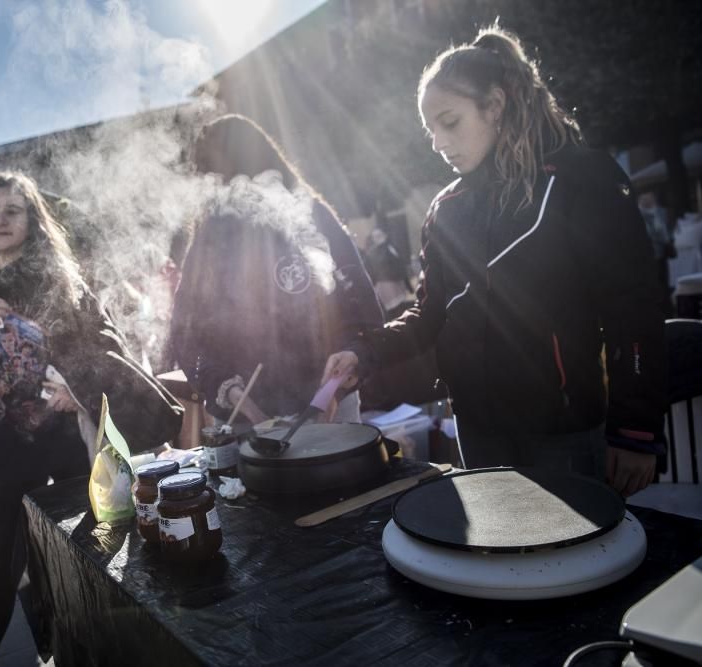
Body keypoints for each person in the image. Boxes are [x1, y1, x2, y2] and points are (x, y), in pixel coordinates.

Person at [322, 26, 666, 496]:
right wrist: (365, 353)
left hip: (562, 434)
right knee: (496, 565)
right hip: (478, 432)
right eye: (430, 130)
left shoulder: (581, 178)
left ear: (495, 106)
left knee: (569, 564)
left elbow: (635, 312)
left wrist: (636, 431)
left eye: (450, 122)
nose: (439, 142)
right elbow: (430, 314)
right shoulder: (446, 208)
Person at [0, 170, 181, 666]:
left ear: (33, 219)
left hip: (71, 446)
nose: (0, 220)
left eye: (13, 210)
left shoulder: (58, 273)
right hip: (7, 454)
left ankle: (93, 646)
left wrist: (80, 391)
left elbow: (106, 339)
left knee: (95, 548)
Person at [169, 113, 384, 425]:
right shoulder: (209, 239)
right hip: (245, 420)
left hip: (328, 408)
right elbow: (189, 335)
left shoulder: (311, 214)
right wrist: (238, 399)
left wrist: (333, 390)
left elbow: (361, 312)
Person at [364, 224, 414, 320]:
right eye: (374, 236)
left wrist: (408, 285)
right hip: (382, 288)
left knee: (401, 313)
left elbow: (400, 266)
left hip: (396, 286)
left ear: (385, 235)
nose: (376, 238)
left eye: (379, 235)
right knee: (390, 315)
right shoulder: (371, 253)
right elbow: (370, 271)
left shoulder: (391, 248)